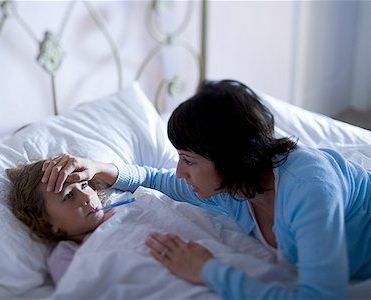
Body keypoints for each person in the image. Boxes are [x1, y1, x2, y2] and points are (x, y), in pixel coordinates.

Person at [40, 79, 371, 299]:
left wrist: (209, 271)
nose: (180, 172)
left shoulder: (307, 188)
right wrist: (100, 169)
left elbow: (322, 297)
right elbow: (158, 180)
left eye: (188, 160)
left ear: (230, 158)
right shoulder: (237, 186)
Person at [6, 160, 113, 283]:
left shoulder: (118, 209)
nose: (87, 197)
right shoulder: (65, 256)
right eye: (68, 196)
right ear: (46, 224)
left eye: (83, 185)